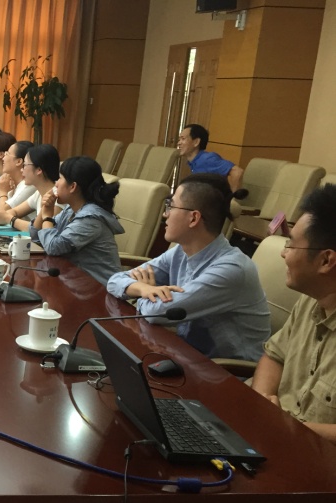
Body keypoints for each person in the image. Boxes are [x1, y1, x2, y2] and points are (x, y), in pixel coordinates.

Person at [107, 173, 270, 360]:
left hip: (227, 370)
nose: (165, 214)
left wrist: (142, 294)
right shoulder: (180, 251)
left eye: (171, 206)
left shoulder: (232, 269)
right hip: (188, 354)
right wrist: (144, 289)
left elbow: (156, 313)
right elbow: (115, 280)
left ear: (193, 218)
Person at [252, 184, 336, 441]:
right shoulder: (310, 301)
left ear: (326, 261)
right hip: (274, 435)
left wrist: (290, 428)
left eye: (291, 245)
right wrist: (263, 401)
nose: (283, 253)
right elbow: (274, 356)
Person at [36, 156, 124, 285]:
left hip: (100, 288)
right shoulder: (70, 210)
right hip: (76, 282)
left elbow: (53, 247)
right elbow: (37, 237)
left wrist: (47, 217)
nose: (56, 184)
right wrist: (45, 209)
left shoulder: (90, 219)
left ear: (72, 186)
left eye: (60, 178)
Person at [0, 144, 59, 239]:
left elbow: (38, 230)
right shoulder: (38, 193)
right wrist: (2, 215)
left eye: (25, 165)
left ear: (39, 170)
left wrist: (8, 218)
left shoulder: (57, 197)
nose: (22, 170)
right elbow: (15, 211)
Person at [178, 124, 244, 192]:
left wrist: (232, 197)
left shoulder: (207, 159)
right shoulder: (193, 162)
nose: (179, 143)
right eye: (179, 139)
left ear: (196, 142)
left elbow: (237, 172)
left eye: (183, 139)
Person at [0, 140, 36, 211]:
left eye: (7, 154)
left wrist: (3, 192)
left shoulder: (28, 185)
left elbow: (4, 211)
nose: (3, 158)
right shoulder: (10, 180)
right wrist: (0, 187)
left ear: (18, 161)